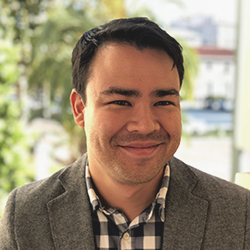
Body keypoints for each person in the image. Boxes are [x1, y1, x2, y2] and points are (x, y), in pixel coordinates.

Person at [0, 17, 249, 250]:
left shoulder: (239, 214)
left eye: (163, 102)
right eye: (120, 102)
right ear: (79, 109)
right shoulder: (25, 216)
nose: (145, 125)